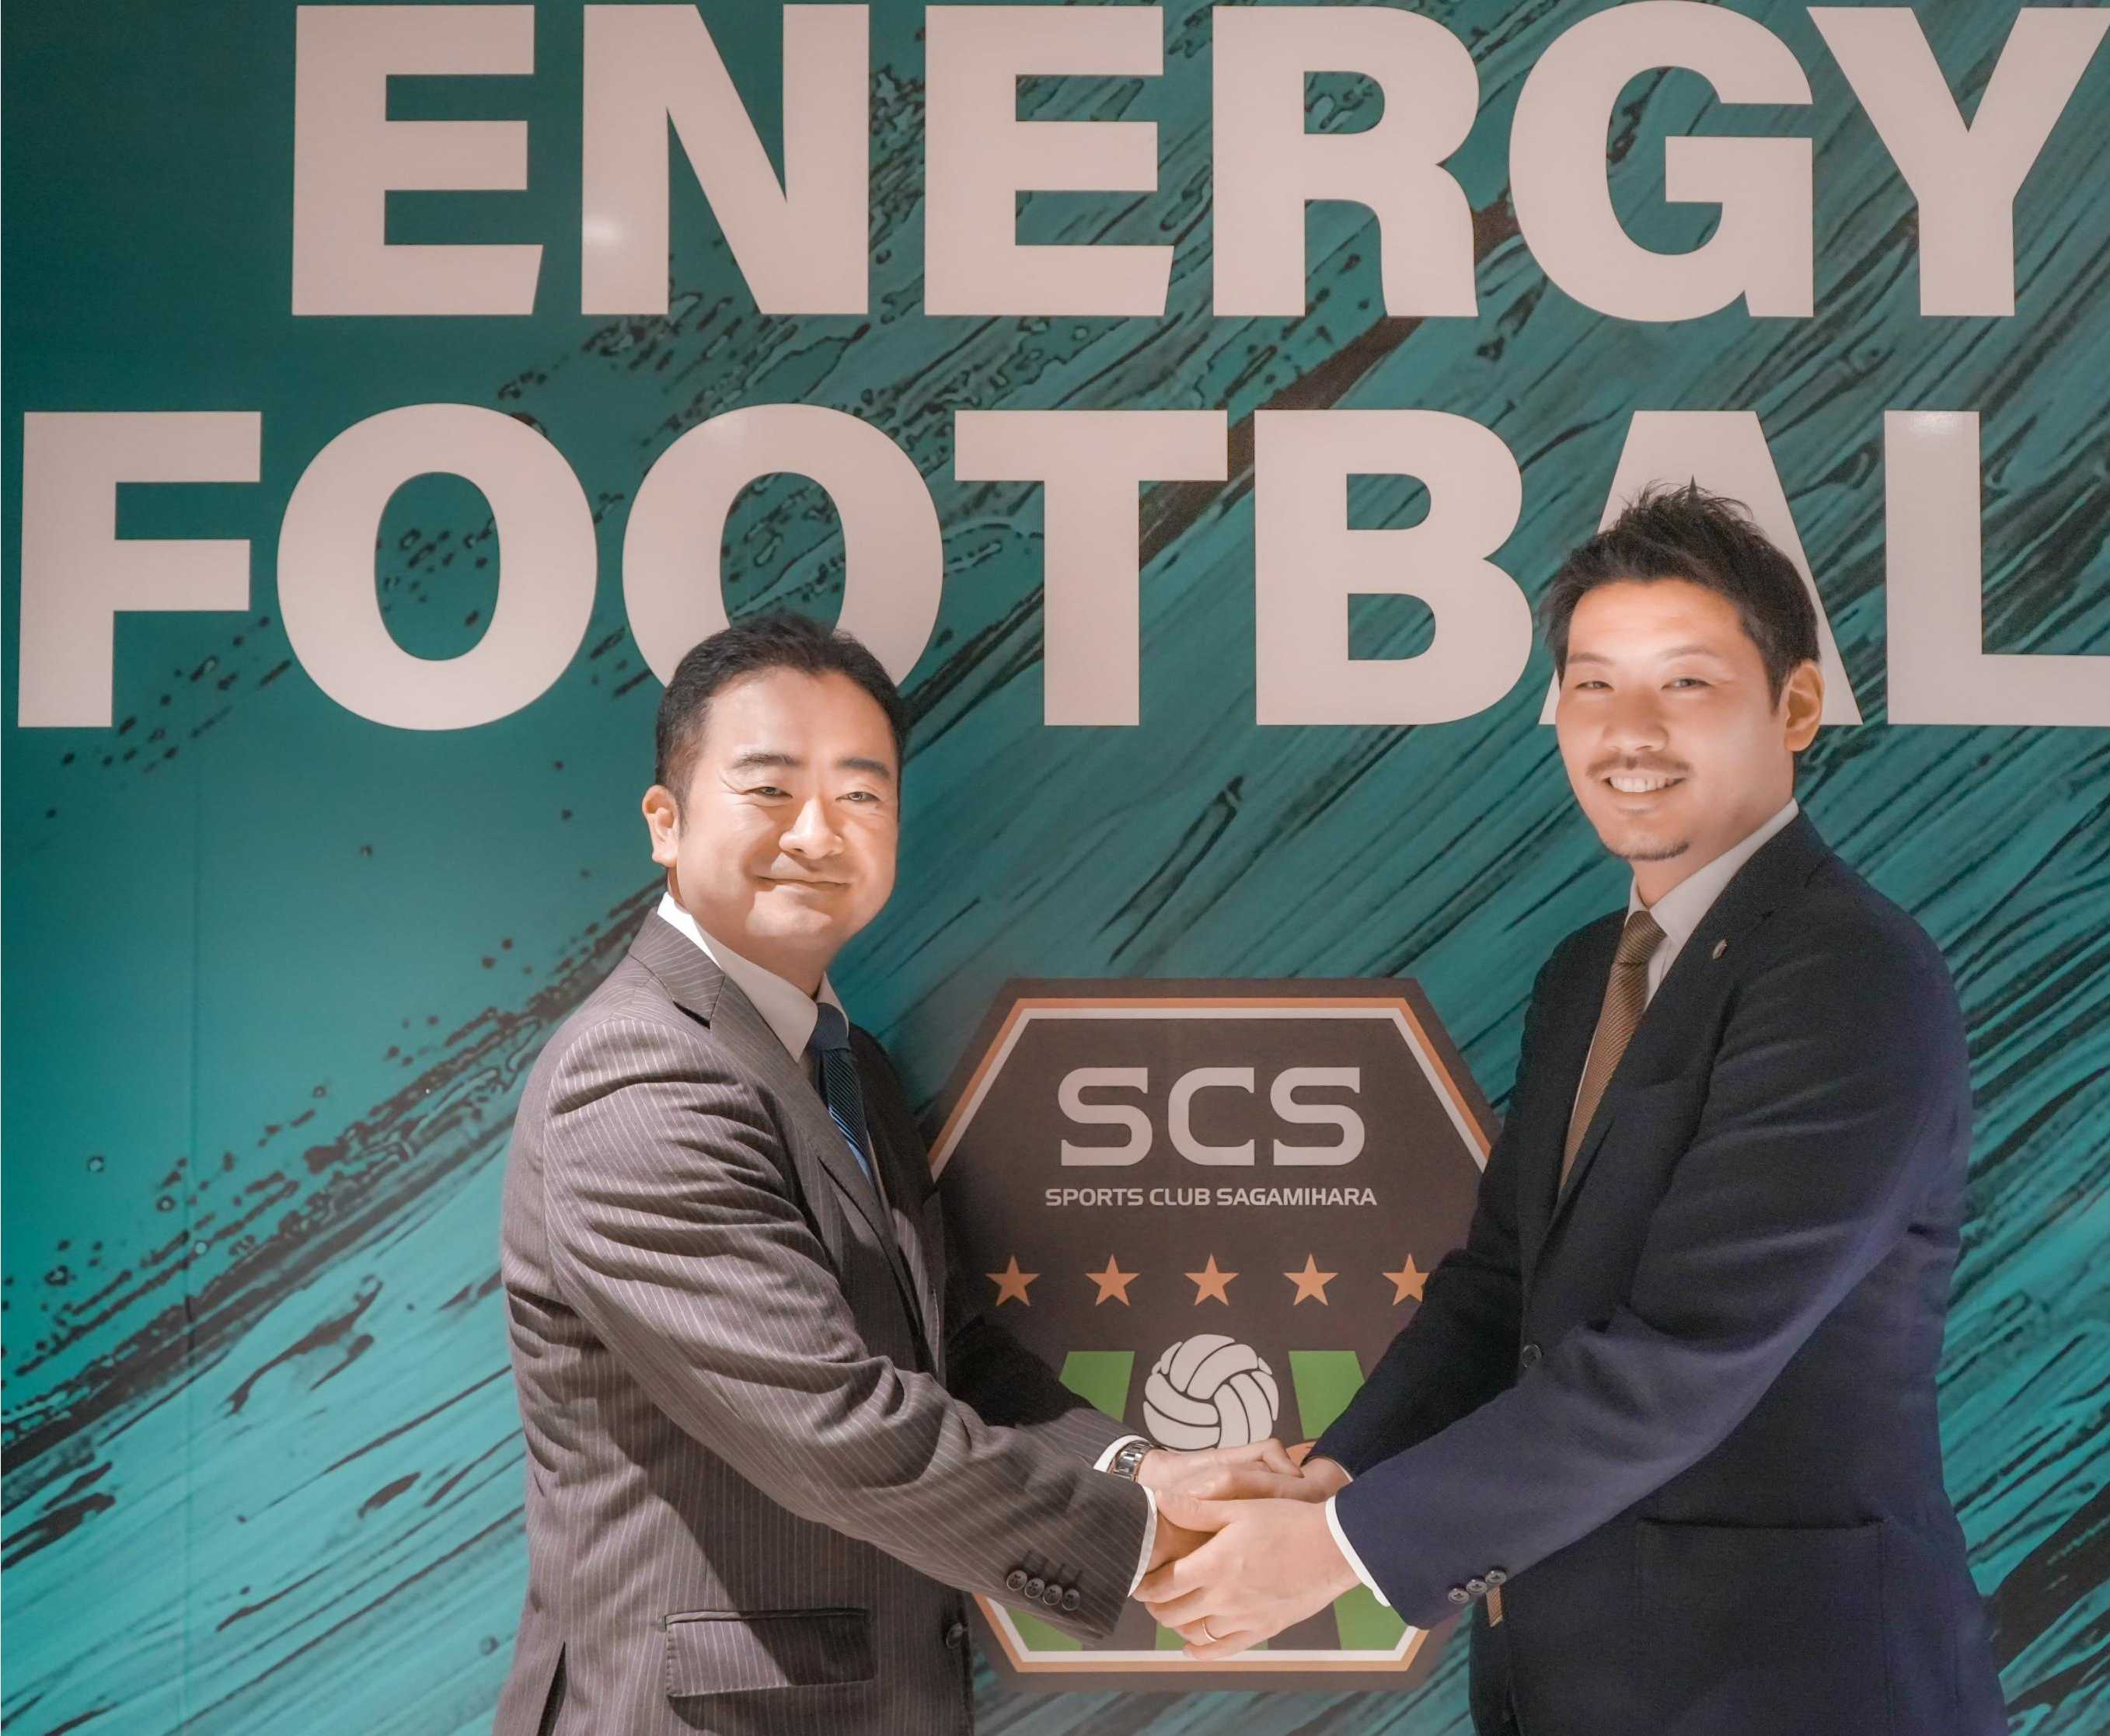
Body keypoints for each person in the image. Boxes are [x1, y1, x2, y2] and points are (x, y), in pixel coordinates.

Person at [1139, 484, 2007, 1736]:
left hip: (1790, 1688)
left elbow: (1681, 1357)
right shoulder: (1582, 974)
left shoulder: (1847, 973)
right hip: (1569, 1684)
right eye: (1592, 686)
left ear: (1796, 706)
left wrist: (1337, 1547)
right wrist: (1331, 1474)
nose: (1628, 732)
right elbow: (1500, 1291)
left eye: (1686, 683)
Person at [494, 614, 1283, 1735]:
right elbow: (831, 1424)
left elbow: (942, 1352)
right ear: (665, 821)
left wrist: (1139, 1466)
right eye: (769, 789)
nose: (818, 832)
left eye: (860, 794)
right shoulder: (639, 1073)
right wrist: (1143, 1534)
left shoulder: (843, 1060)